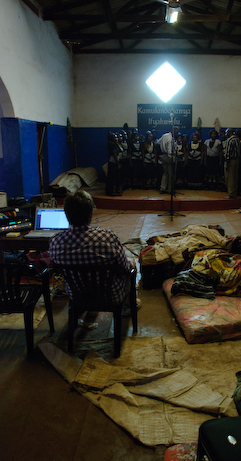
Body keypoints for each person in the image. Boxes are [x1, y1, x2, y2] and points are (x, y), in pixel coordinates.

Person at [49, 190, 136, 325]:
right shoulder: (108, 238)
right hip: (110, 296)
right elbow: (124, 268)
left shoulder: (56, 241)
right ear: (90, 214)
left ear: (66, 215)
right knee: (131, 266)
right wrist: (131, 264)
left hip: (77, 296)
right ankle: (127, 306)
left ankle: (86, 309)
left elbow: (57, 268)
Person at [157, 126, 179, 194]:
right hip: (168, 157)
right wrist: (172, 159)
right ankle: (170, 189)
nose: (177, 134)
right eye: (177, 132)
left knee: (165, 173)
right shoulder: (170, 139)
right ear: (173, 131)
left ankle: (162, 188)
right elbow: (170, 152)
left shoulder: (165, 135)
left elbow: (158, 142)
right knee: (171, 174)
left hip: (163, 156)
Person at [224, 128, 241, 198]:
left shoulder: (229, 140)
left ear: (229, 132)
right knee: (235, 177)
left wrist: (227, 163)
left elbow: (228, 152)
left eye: (226, 132)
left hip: (230, 160)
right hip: (237, 160)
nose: (225, 134)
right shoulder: (237, 140)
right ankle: (234, 192)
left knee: (230, 177)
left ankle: (231, 194)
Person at [105, 132, 123, 196]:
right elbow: (115, 155)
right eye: (115, 137)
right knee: (114, 177)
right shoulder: (113, 145)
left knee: (112, 177)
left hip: (112, 162)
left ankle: (111, 191)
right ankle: (113, 191)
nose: (116, 138)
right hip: (113, 163)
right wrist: (118, 164)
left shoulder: (111, 144)